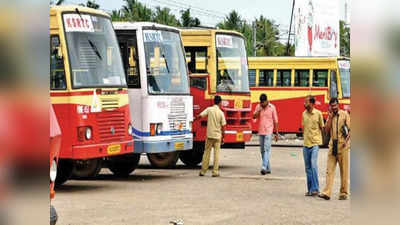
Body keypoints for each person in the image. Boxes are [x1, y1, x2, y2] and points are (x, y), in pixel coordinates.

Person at [319, 98, 351, 200]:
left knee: (344, 170)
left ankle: (343, 193)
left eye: (335, 105)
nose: (334, 108)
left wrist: (346, 142)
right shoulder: (330, 116)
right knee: (329, 169)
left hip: (343, 145)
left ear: (338, 105)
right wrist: (330, 117)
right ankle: (327, 192)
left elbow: (350, 130)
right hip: (333, 145)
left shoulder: (345, 114)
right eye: (332, 106)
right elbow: (326, 131)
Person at [195, 95, 226, 177]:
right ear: (220, 103)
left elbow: (200, 116)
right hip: (217, 136)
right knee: (216, 154)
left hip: (209, 135)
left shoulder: (209, 109)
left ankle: (203, 171)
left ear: (214, 102)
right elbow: (223, 126)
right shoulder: (221, 113)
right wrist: (223, 136)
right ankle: (215, 172)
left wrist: (194, 119)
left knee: (206, 153)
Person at [302, 96, 324, 196]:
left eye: (306, 102)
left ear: (311, 103)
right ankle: (310, 190)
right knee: (308, 168)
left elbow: (322, 128)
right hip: (306, 144)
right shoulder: (303, 114)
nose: (304, 104)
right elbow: (304, 128)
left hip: (315, 143)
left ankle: (316, 189)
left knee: (313, 165)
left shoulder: (318, 114)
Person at [253, 93, 279, 175]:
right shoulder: (258, 106)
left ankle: (264, 167)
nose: (262, 104)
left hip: (269, 131)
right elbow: (254, 117)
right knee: (262, 151)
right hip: (261, 131)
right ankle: (268, 168)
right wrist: (259, 110)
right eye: (261, 103)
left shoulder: (272, 107)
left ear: (266, 101)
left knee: (267, 149)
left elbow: (276, 121)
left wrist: (276, 133)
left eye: (263, 103)